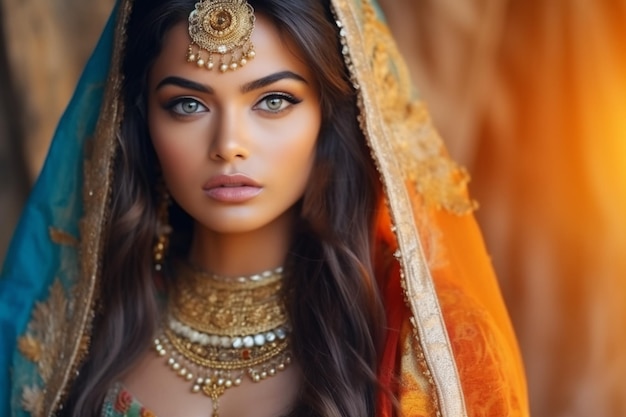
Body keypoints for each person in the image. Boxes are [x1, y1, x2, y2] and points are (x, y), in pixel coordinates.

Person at [0, 0, 529, 416]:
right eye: (188, 104)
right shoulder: (72, 330)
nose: (229, 143)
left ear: (333, 116)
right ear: (142, 121)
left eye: (273, 101)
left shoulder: (424, 345)